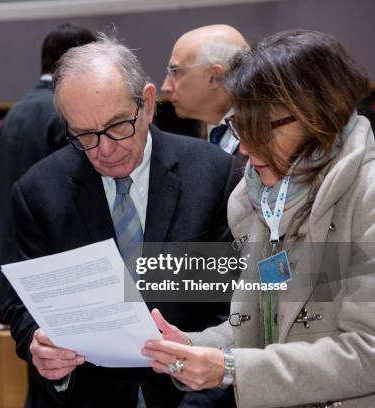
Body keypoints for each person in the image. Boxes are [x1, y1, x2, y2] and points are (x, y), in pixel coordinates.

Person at [3, 35, 239, 408]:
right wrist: (40, 344)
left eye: (117, 126)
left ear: (146, 103)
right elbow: (21, 305)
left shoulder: (213, 175)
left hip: (196, 398)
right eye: (84, 135)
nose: (105, 149)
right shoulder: (38, 193)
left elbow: (235, 302)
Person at [142, 30, 375, 407]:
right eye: (239, 128)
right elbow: (261, 326)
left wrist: (231, 369)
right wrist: (193, 346)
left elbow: (368, 351)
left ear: (317, 115)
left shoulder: (367, 197)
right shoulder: (262, 200)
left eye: (260, 128)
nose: (246, 148)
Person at [0, 22, 96, 308]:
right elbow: (71, 195)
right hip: (56, 274)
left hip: (15, 270)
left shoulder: (14, 112)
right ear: (79, 59)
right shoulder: (67, 113)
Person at [161, 25, 248, 155]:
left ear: (215, 77)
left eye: (176, 72)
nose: (165, 87)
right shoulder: (214, 134)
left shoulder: (261, 139)